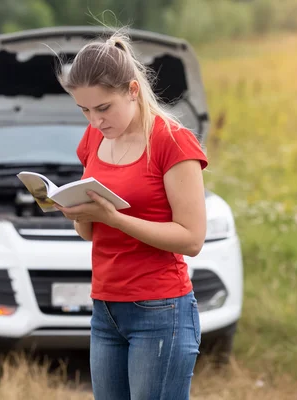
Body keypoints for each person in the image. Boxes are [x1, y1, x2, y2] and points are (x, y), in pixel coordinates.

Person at [54, 29, 209, 400]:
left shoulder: (172, 142)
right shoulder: (94, 139)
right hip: (105, 309)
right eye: (85, 110)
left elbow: (192, 239)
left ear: (133, 91)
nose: (95, 121)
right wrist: (77, 212)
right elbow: (89, 233)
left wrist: (115, 218)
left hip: (160, 310)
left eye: (103, 108)